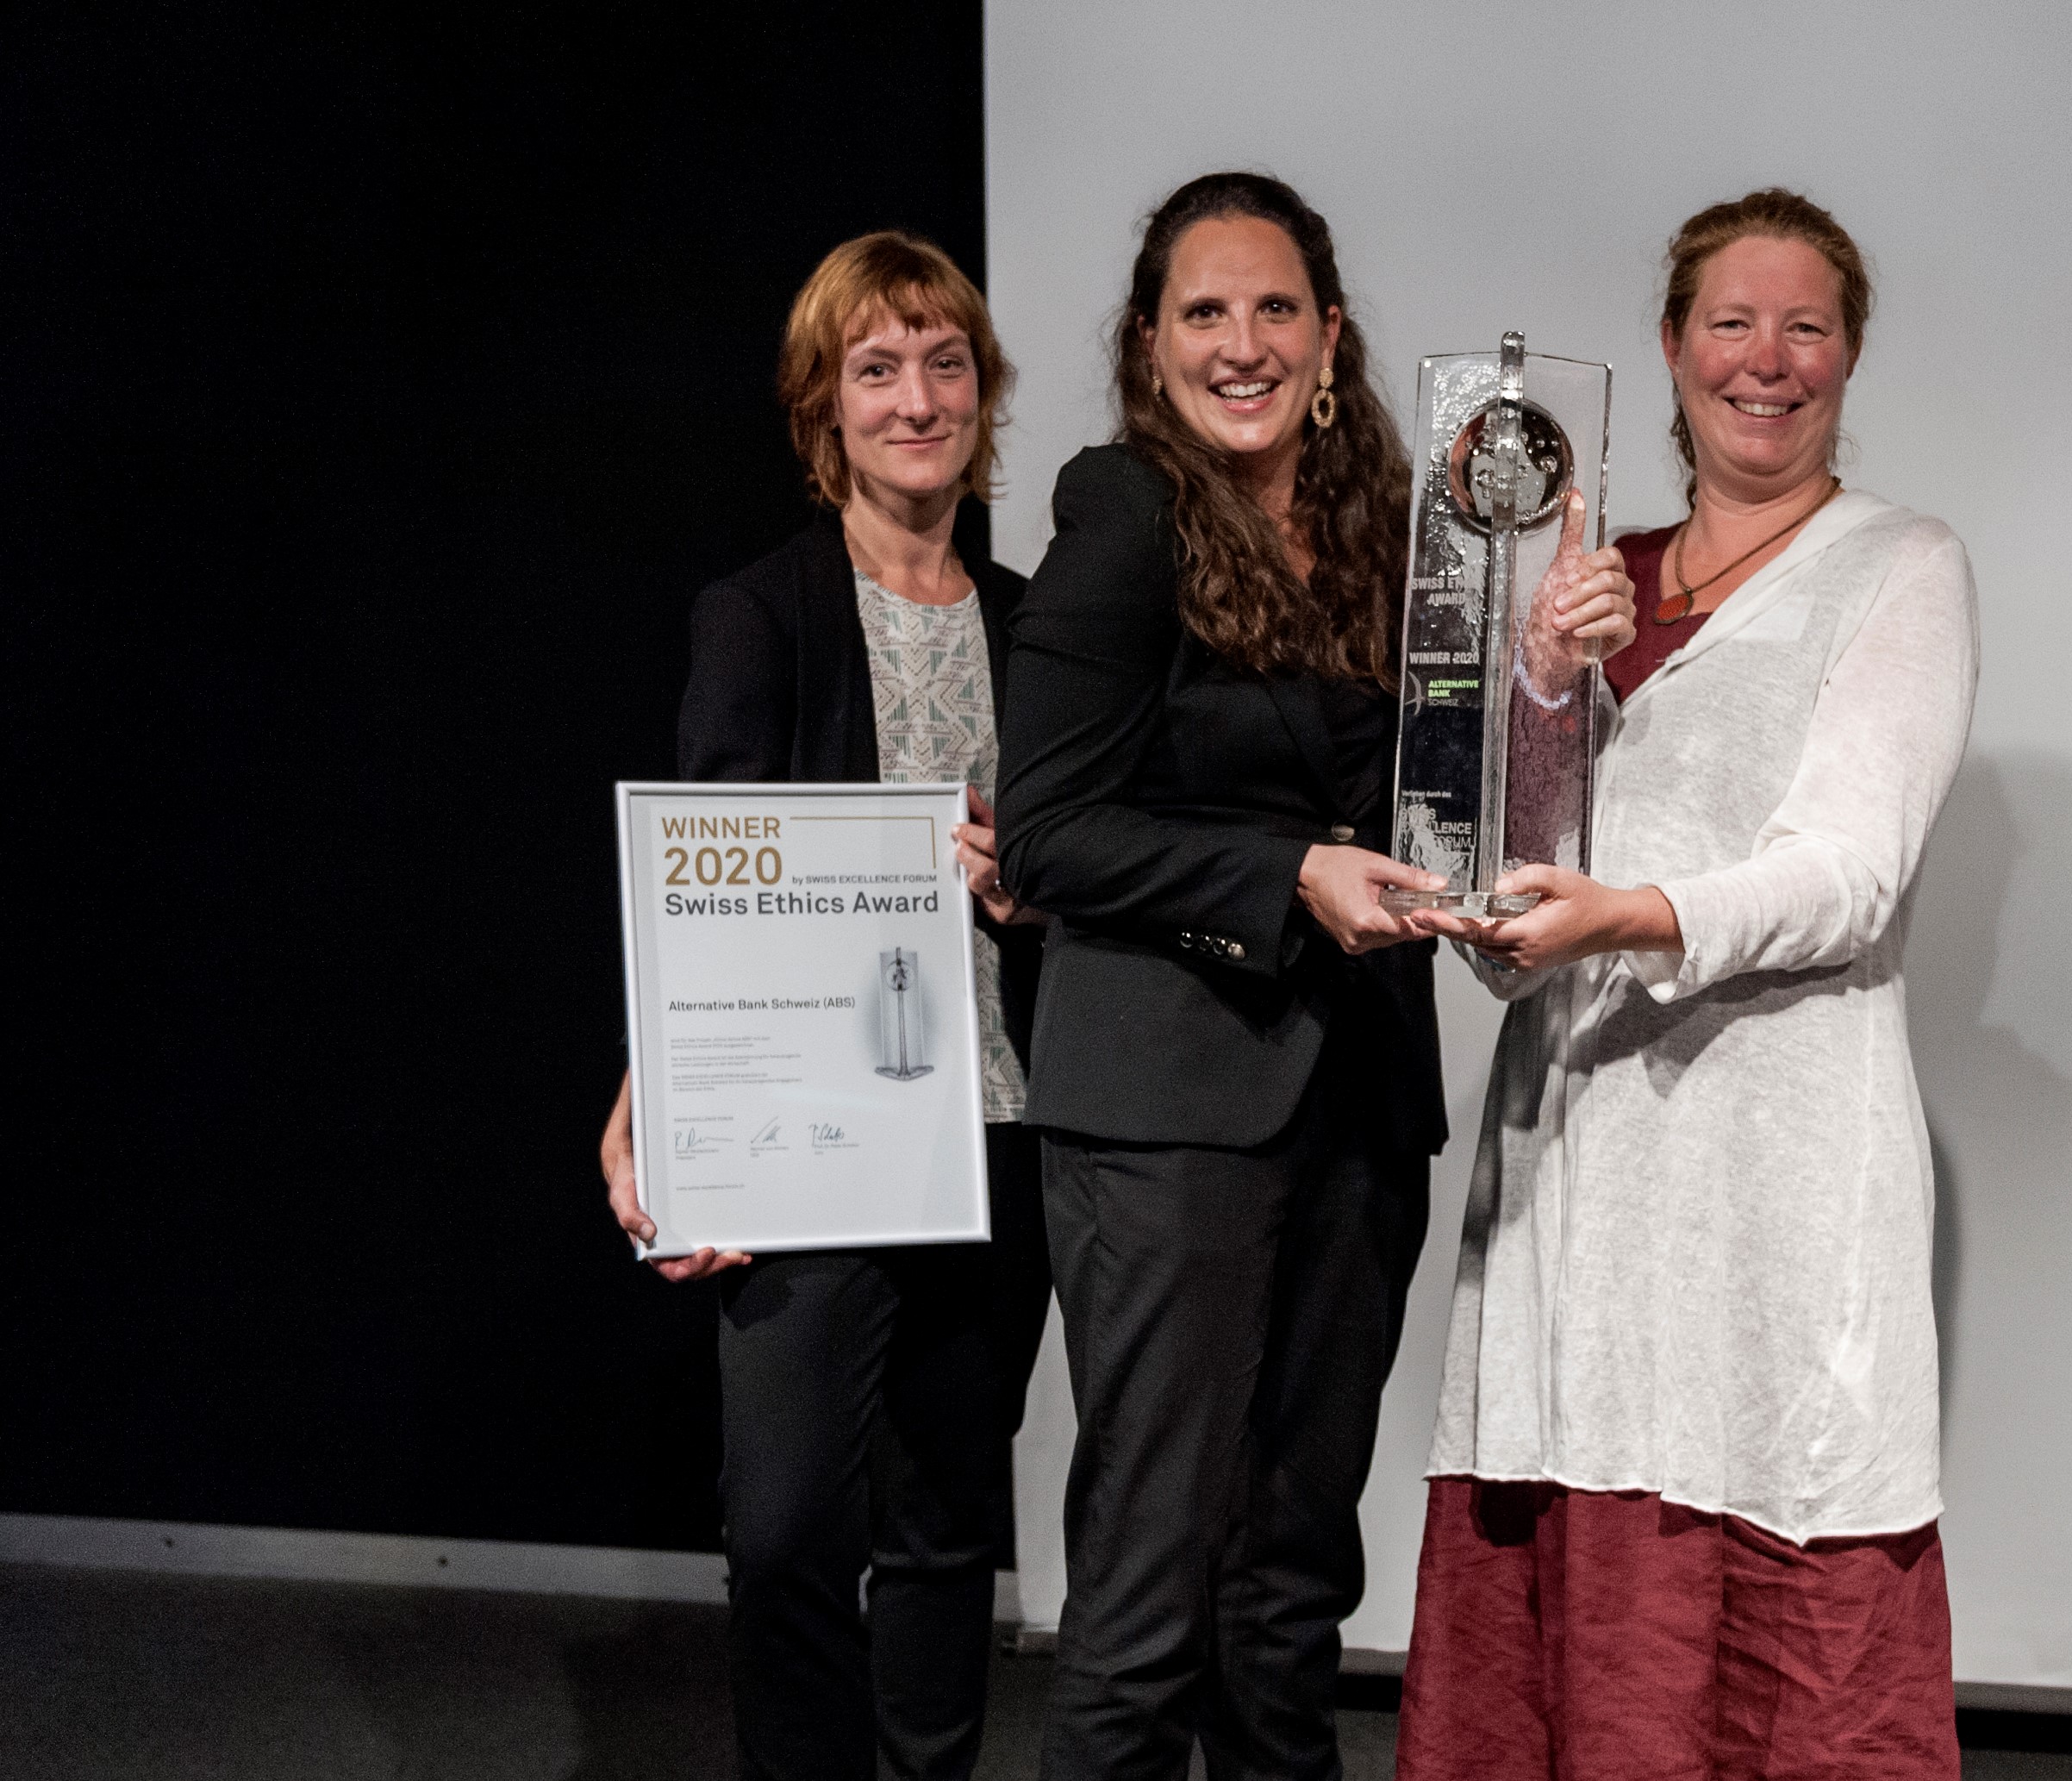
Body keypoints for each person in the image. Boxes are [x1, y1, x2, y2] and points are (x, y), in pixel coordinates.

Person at [995, 172, 1632, 1781]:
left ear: (1331, 334)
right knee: (1149, 1591)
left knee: (1288, 1587)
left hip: (1355, 1102)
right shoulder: (1121, 514)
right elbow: (1053, 835)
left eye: (1275, 307)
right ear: (1150, 344)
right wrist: (1285, 873)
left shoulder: (1398, 522)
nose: (1243, 343)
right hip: (1165, 1111)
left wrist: (1546, 667)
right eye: (1204, 312)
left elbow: (1444, 788)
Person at [1396, 188, 1982, 1779]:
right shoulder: (1592, 576)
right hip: (1577, 1168)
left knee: (1768, 1604)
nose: (1765, 359)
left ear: (1850, 354)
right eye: (1731, 322)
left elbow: (1849, 871)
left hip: (1768, 1176)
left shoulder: (1901, 567)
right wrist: (1540, 682)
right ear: (1671, 347)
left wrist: (1627, 918)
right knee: (1569, 1590)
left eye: (1805, 326)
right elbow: (1502, 864)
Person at [596, 231, 1051, 1781]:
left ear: (984, 392)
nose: (917, 400)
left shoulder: (1041, 623)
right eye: (877, 369)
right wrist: (658, 1098)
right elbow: (705, 896)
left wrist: (1034, 876)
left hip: (1000, 1126)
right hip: (814, 1143)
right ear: (823, 408)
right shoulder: (760, 612)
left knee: (945, 1528)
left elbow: (1091, 861)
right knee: (788, 1526)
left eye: (945, 364)